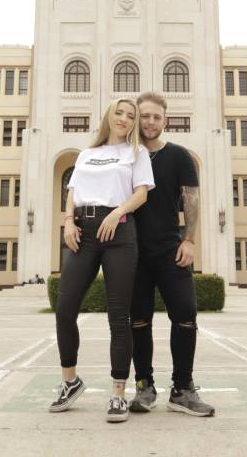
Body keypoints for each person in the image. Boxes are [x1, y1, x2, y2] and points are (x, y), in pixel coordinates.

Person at [50, 98, 154, 423]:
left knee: (118, 316)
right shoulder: (86, 154)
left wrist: (118, 212)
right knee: (65, 309)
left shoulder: (136, 153)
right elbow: (73, 190)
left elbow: (141, 193)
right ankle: (71, 382)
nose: (124, 118)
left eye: (130, 115)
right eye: (119, 112)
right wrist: (68, 220)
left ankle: (118, 394)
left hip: (119, 233)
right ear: (108, 115)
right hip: (83, 231)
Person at [128, 92, 214, 417]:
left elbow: (191, 199)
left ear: (165, 120)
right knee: (138, 321)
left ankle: (182, 389)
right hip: (133, 252)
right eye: (145, 116)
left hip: (170, 249)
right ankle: (144, 386)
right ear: (137, 118)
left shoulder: (179, 156)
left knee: (186, 316)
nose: (150, 122)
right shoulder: (126, 155)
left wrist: (189, 240)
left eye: (157, 117)